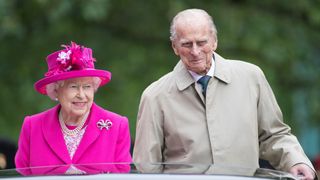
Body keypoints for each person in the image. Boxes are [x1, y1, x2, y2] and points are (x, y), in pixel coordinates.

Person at [133, 8, 316, 179]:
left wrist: (296, 160)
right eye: (187, 44)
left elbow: (273, 135)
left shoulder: (251, 78)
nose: (195, 51)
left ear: (214, 41)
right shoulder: (155, 96)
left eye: (202, 42)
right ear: (174, 47)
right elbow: (147, 168)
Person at [15, 42, 132, 175]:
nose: (81, 95)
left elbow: (123, 176)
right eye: (73, 87)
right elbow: (20, 175)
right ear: (56, 90)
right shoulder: (32, 126)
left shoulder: (117, 126)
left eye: (87, 87)